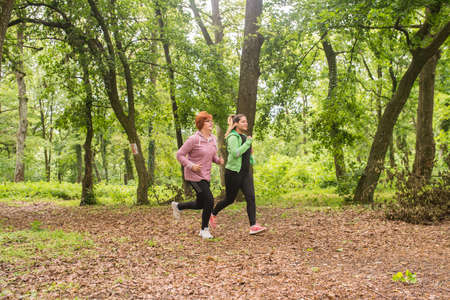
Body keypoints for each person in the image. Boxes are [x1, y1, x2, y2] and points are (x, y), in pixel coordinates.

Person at [210, 114, 266, 235]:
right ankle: (213, 213)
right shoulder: (232, 137)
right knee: (230, 199)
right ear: (236, 124)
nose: (246, 124)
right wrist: (248, 144)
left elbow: (246, 154)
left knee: (251, 197)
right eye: (243, 122)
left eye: (246, 122)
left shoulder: (245, 137)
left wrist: (250, 154)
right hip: (234, 173)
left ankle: (253, 226)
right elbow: (235, 153)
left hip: (245, 173)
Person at [172, 111, 224, 239]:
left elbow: (212, 156)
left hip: (205, 176)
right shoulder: (194, 139)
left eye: (211, 121)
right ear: (201, 124)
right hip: (193, 176)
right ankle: (204, 229)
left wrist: (218, 161)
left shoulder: (212, 140)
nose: (211, 123)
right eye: (207, 121)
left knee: (201, 204)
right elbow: (179, 155)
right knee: (210, 200)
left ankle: (178, 206)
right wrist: (191, 165)